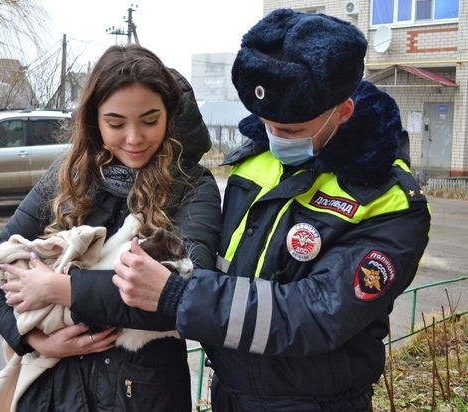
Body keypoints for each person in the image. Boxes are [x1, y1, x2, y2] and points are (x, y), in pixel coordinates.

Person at [109, 9, 432, 411]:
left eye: (292, 130)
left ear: (343, 111)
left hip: (316, 403)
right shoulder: (254, 158)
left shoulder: (389, 201)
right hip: (228, 392)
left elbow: (316, 313)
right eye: (267, 123)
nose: (276, 137)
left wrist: (180, 295)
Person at [0, 44, 222, 411]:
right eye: (116, 124)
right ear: (94, 120)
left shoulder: (192, 186)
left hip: (141, 394)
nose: (134, 138)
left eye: (150, 120)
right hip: (52, 392)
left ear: (170, 116)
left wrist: (59, 288)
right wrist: (35, 339)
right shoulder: (68, 175)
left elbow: (185, 294)